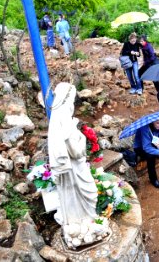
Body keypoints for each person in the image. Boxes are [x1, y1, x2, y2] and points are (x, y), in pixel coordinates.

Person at [48, 83, 98, 227]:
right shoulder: (65, 124)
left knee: (84, 194)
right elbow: (76, 152)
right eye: (72, 98)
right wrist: (82, 139)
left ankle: (84, 221)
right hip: (77, 167)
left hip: (77, 167)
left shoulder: (62, 121)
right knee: (91, 193)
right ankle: (85, 221)